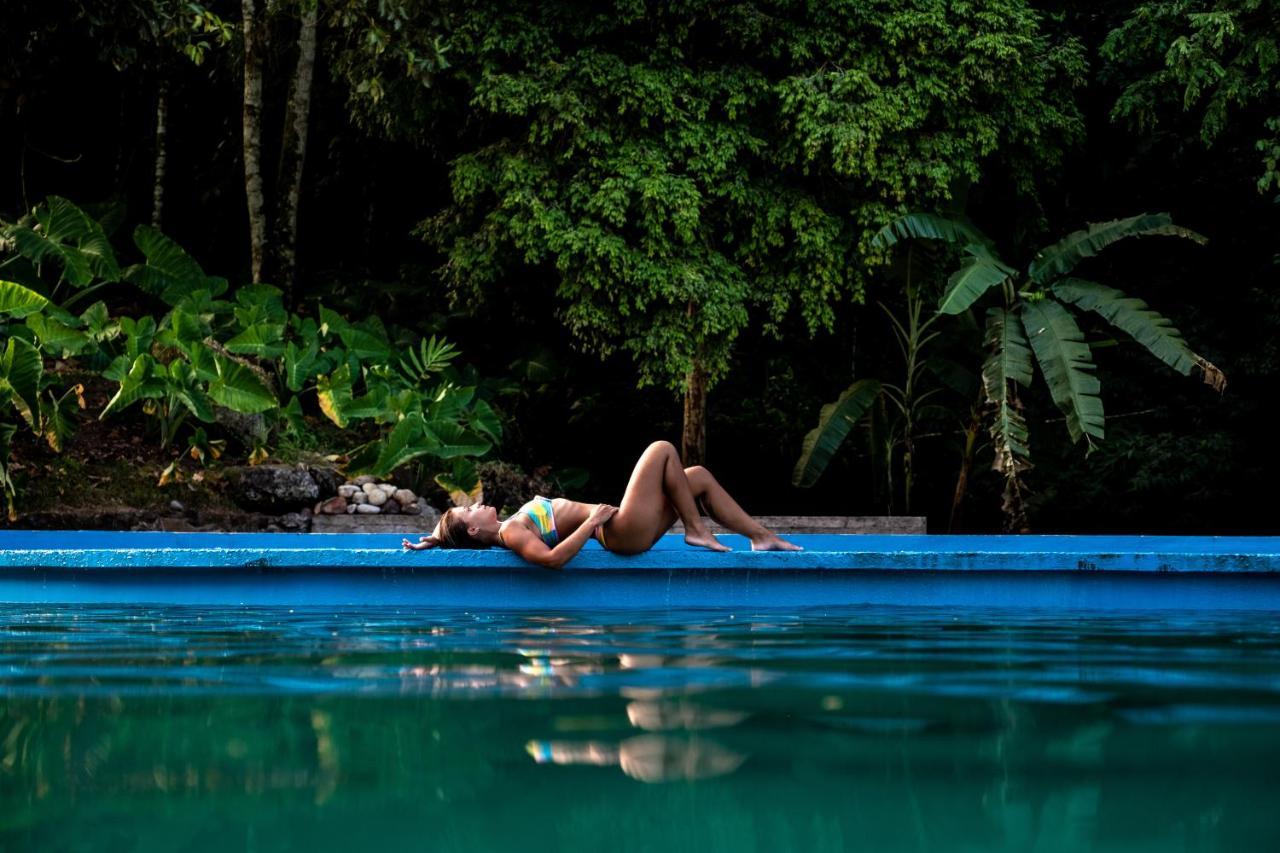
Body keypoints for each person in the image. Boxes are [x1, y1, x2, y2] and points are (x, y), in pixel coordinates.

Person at [402, 440, 800, 568]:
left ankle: (761, 537)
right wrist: (591, 520)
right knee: (661, 450)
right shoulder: (513, 533)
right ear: (475, 529)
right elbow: (554, 560)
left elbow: (452, 531)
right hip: (619, 530)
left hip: (621, 527)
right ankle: (696, 531)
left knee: (695, 476)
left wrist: (431, 542)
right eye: (470, 511)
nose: (475, 504)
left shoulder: (506, 525)